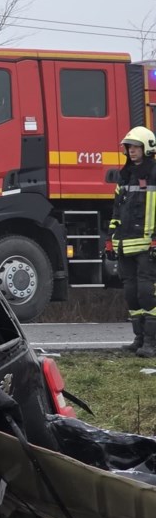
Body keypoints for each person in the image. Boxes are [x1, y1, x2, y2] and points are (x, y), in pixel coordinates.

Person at [107, 127, 156, 357]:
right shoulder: (125, 175)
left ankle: (151, 342)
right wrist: (111, 239)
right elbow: (117, 209)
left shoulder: (155, 173)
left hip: (147, 245)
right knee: (132, 293)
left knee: (148, 294)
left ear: (147, 148)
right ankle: (138, 339)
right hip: (126, 245)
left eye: (135, 147)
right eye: (129, 148)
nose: (131, 151)